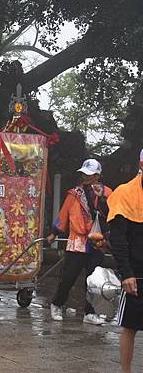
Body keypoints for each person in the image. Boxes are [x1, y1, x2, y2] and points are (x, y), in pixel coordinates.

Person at [47, 159, 112, 324]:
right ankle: (57, 303)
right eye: (83, 174)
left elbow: (112, 214)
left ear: (97, 176)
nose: (85, 177)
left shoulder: (108, 193)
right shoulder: (74, 194)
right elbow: (64, 214)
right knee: (69, 276)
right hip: (77, 240)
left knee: (93, 280)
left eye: (89, 174)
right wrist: (55, 232)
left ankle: (90, 312)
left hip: (97, 241)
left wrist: (102, 198)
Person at [107, 150, 143, 373]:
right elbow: (118, 240)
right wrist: (126, 273)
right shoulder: (124, 193)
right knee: (130, 327)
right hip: (136, 273)